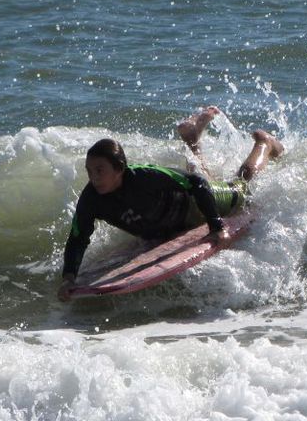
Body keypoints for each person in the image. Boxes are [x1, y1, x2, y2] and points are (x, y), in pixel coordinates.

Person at [57, 105, 283, 301]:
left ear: (119, 169)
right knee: (202, 179)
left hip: (195, 207)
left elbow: (195, 183)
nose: (93, 177)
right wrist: (69, 277)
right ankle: (192, 140)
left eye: (100, 170)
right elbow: (78, 237)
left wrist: (217, 227)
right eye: (89, 171)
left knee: (241, 187)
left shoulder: (143, 176)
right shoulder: (91, 198)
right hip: (168, 225)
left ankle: (265, 145)